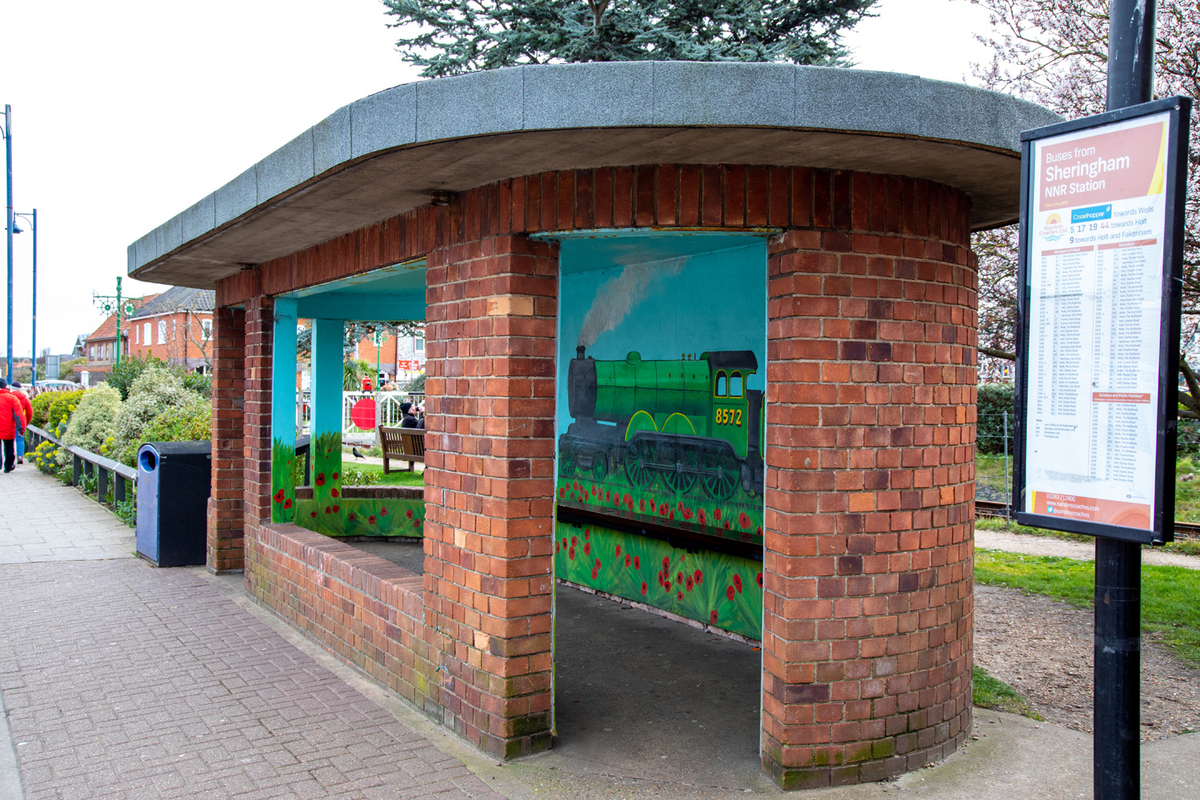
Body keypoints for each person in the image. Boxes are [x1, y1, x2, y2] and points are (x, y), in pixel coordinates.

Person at [0, 380, 25, 473]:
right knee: (9, 446)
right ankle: (8, 466)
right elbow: (18, 415)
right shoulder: (12, 398)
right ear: (6, 386)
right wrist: (20, 428)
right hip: (8, 427)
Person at [9, 382, 32, 465]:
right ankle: (19, 456)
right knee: (20, 440)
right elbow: (29, 412)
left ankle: (10, 457)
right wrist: (26, 422)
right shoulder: (25, 399)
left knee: (9, 441)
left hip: (10, 422)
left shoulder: (9, 397)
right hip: (21, 422)